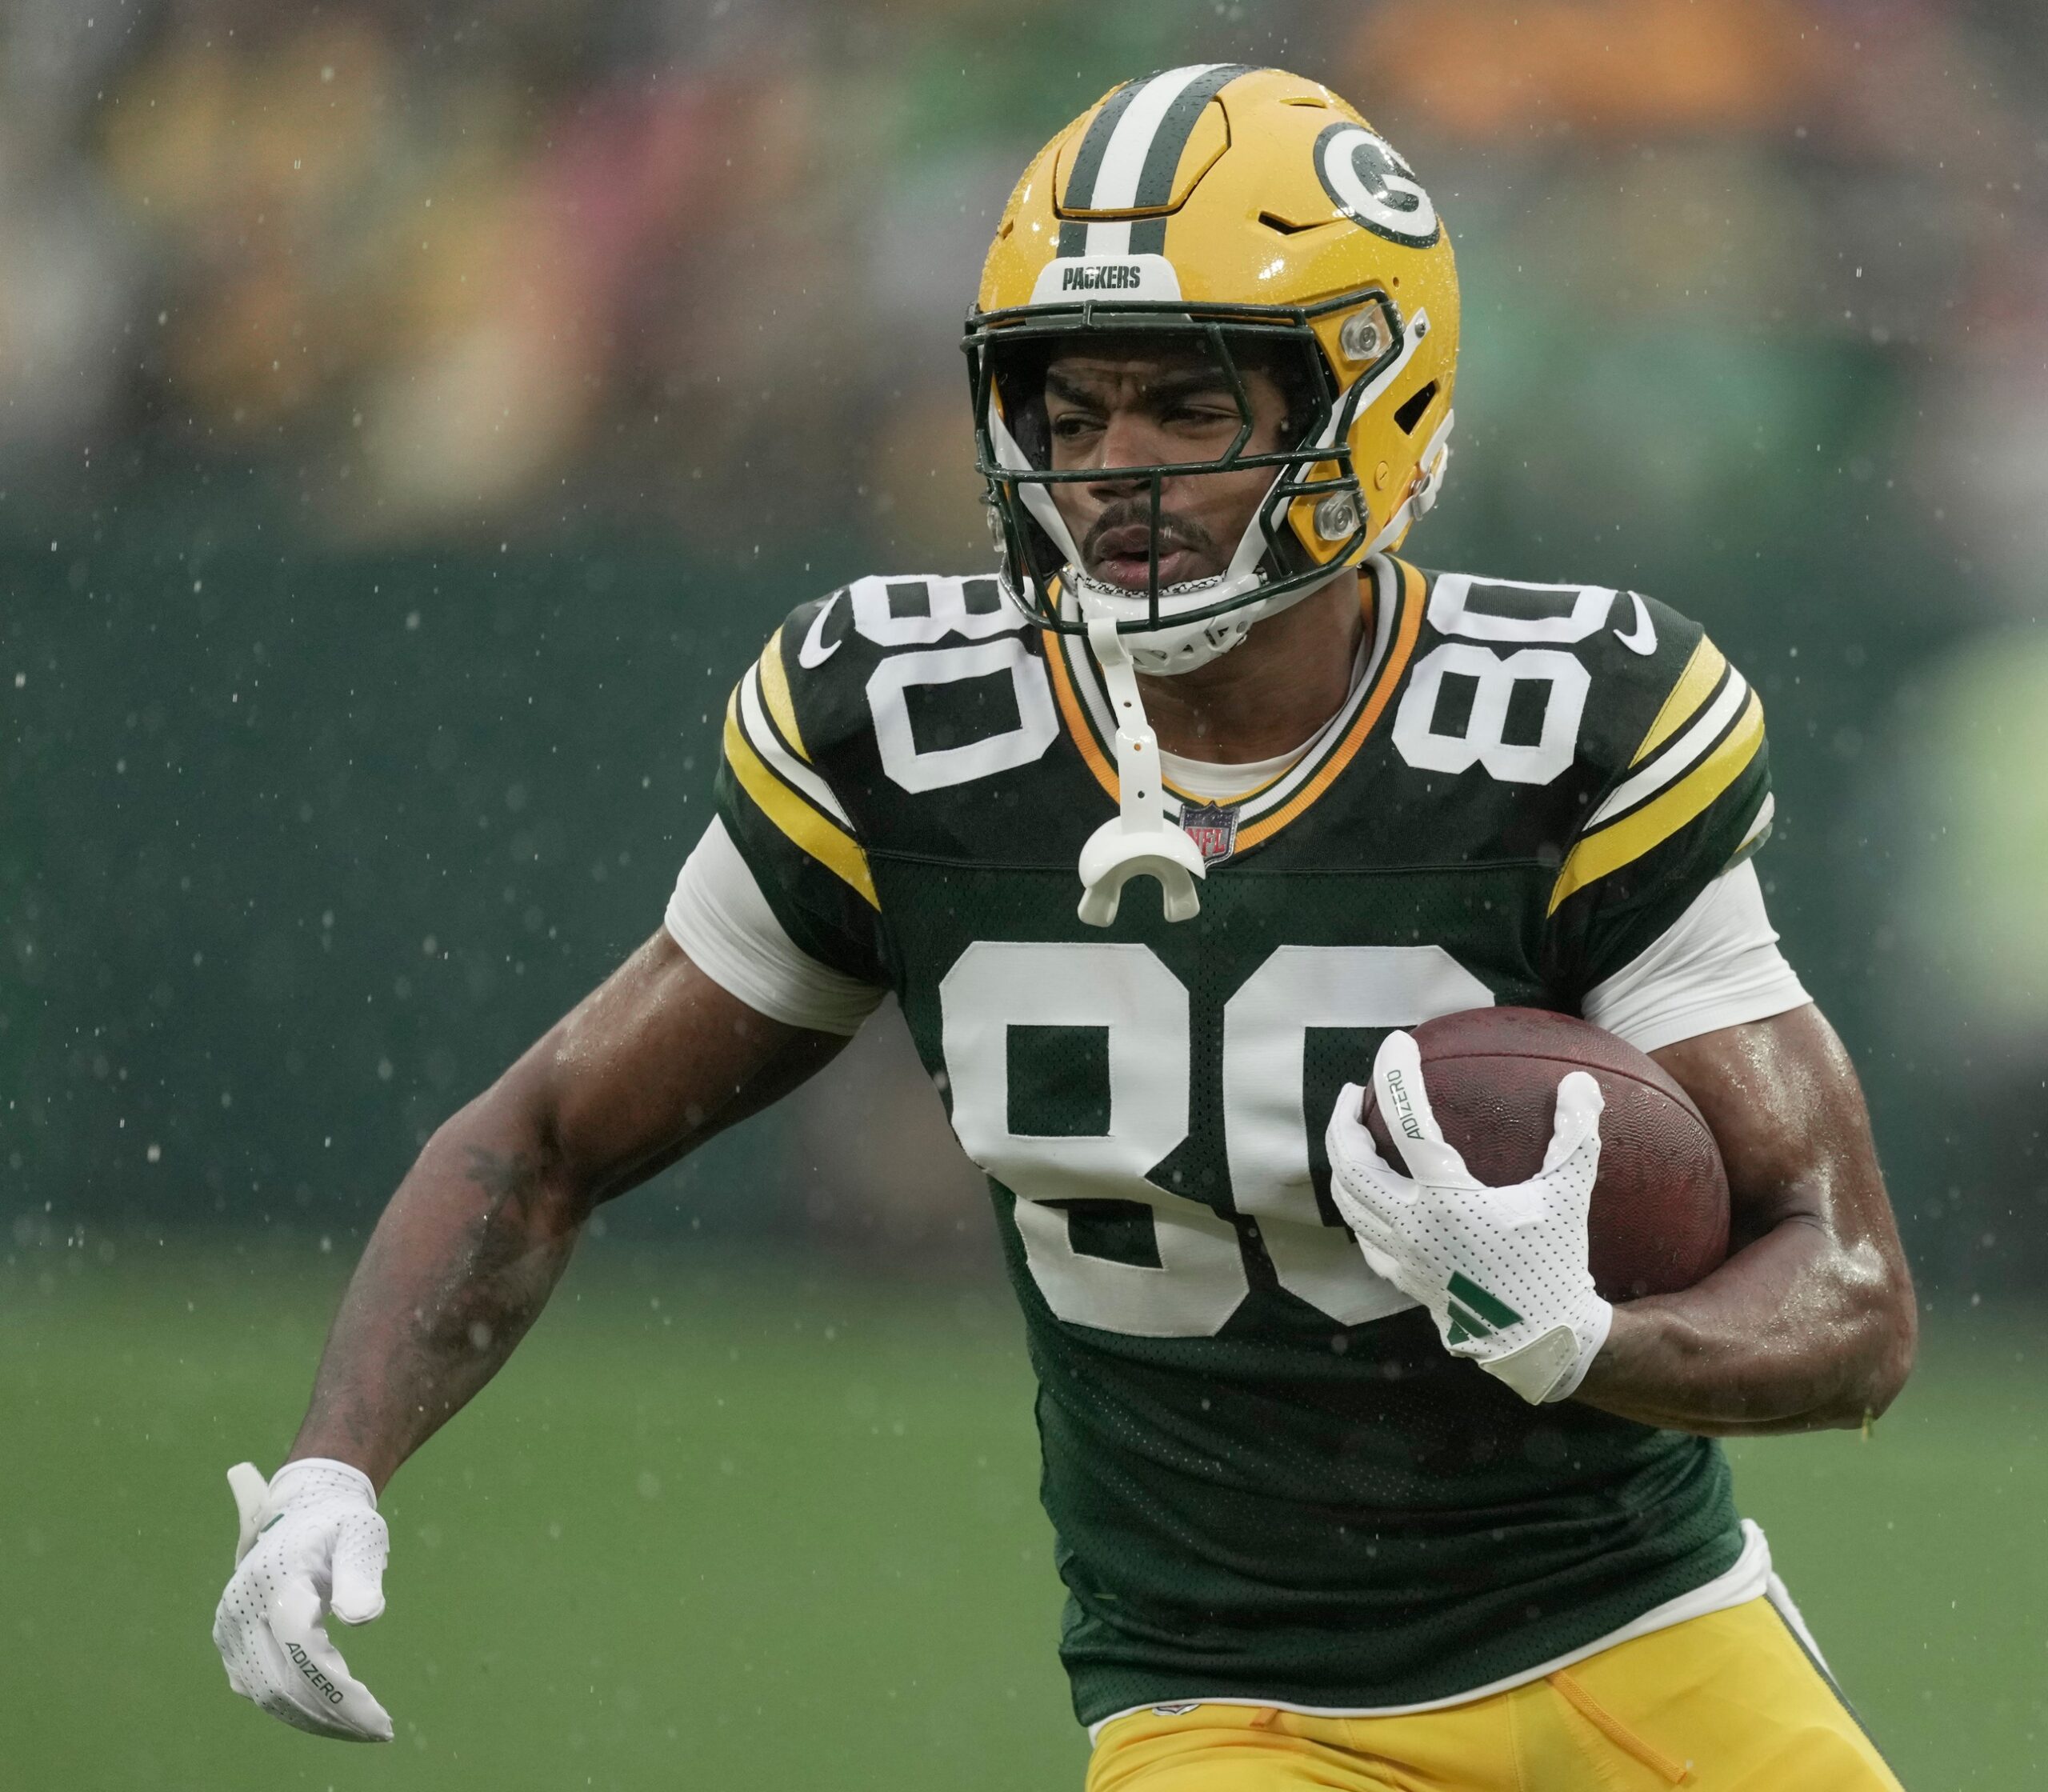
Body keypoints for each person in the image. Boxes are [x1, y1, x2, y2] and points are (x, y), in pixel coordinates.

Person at [212, 65, 1916, 1790]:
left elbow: (1848, 1298)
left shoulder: (1553, 734)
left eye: (1187, 407)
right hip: (1229, 1695)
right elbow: (544, 1141)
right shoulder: (907, 730)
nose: (1114, 471)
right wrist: (333, 1467)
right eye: (1069, 410)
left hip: (1633, 1629)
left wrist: (1589, 1342)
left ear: (1374, 398)